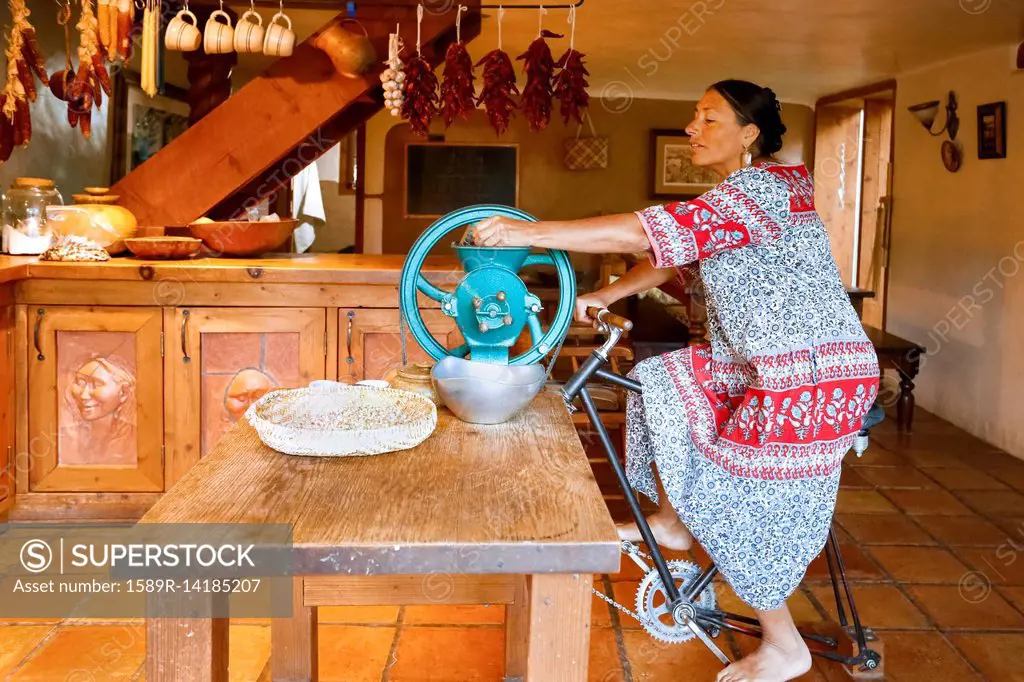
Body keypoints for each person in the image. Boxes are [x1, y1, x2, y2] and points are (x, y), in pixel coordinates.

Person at [472, 80, 880, 682]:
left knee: (738, 494)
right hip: (761, 367)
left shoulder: (764, 190)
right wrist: (604, 294)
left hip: (813, 377)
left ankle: (784, 644)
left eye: (708, 118)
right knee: (662, 378)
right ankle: (675, 521)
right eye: (694, 117)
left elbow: (643, 232)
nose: (693, 127)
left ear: (749, 135)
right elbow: (669, 256)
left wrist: (527, 232)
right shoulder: (737, 196)